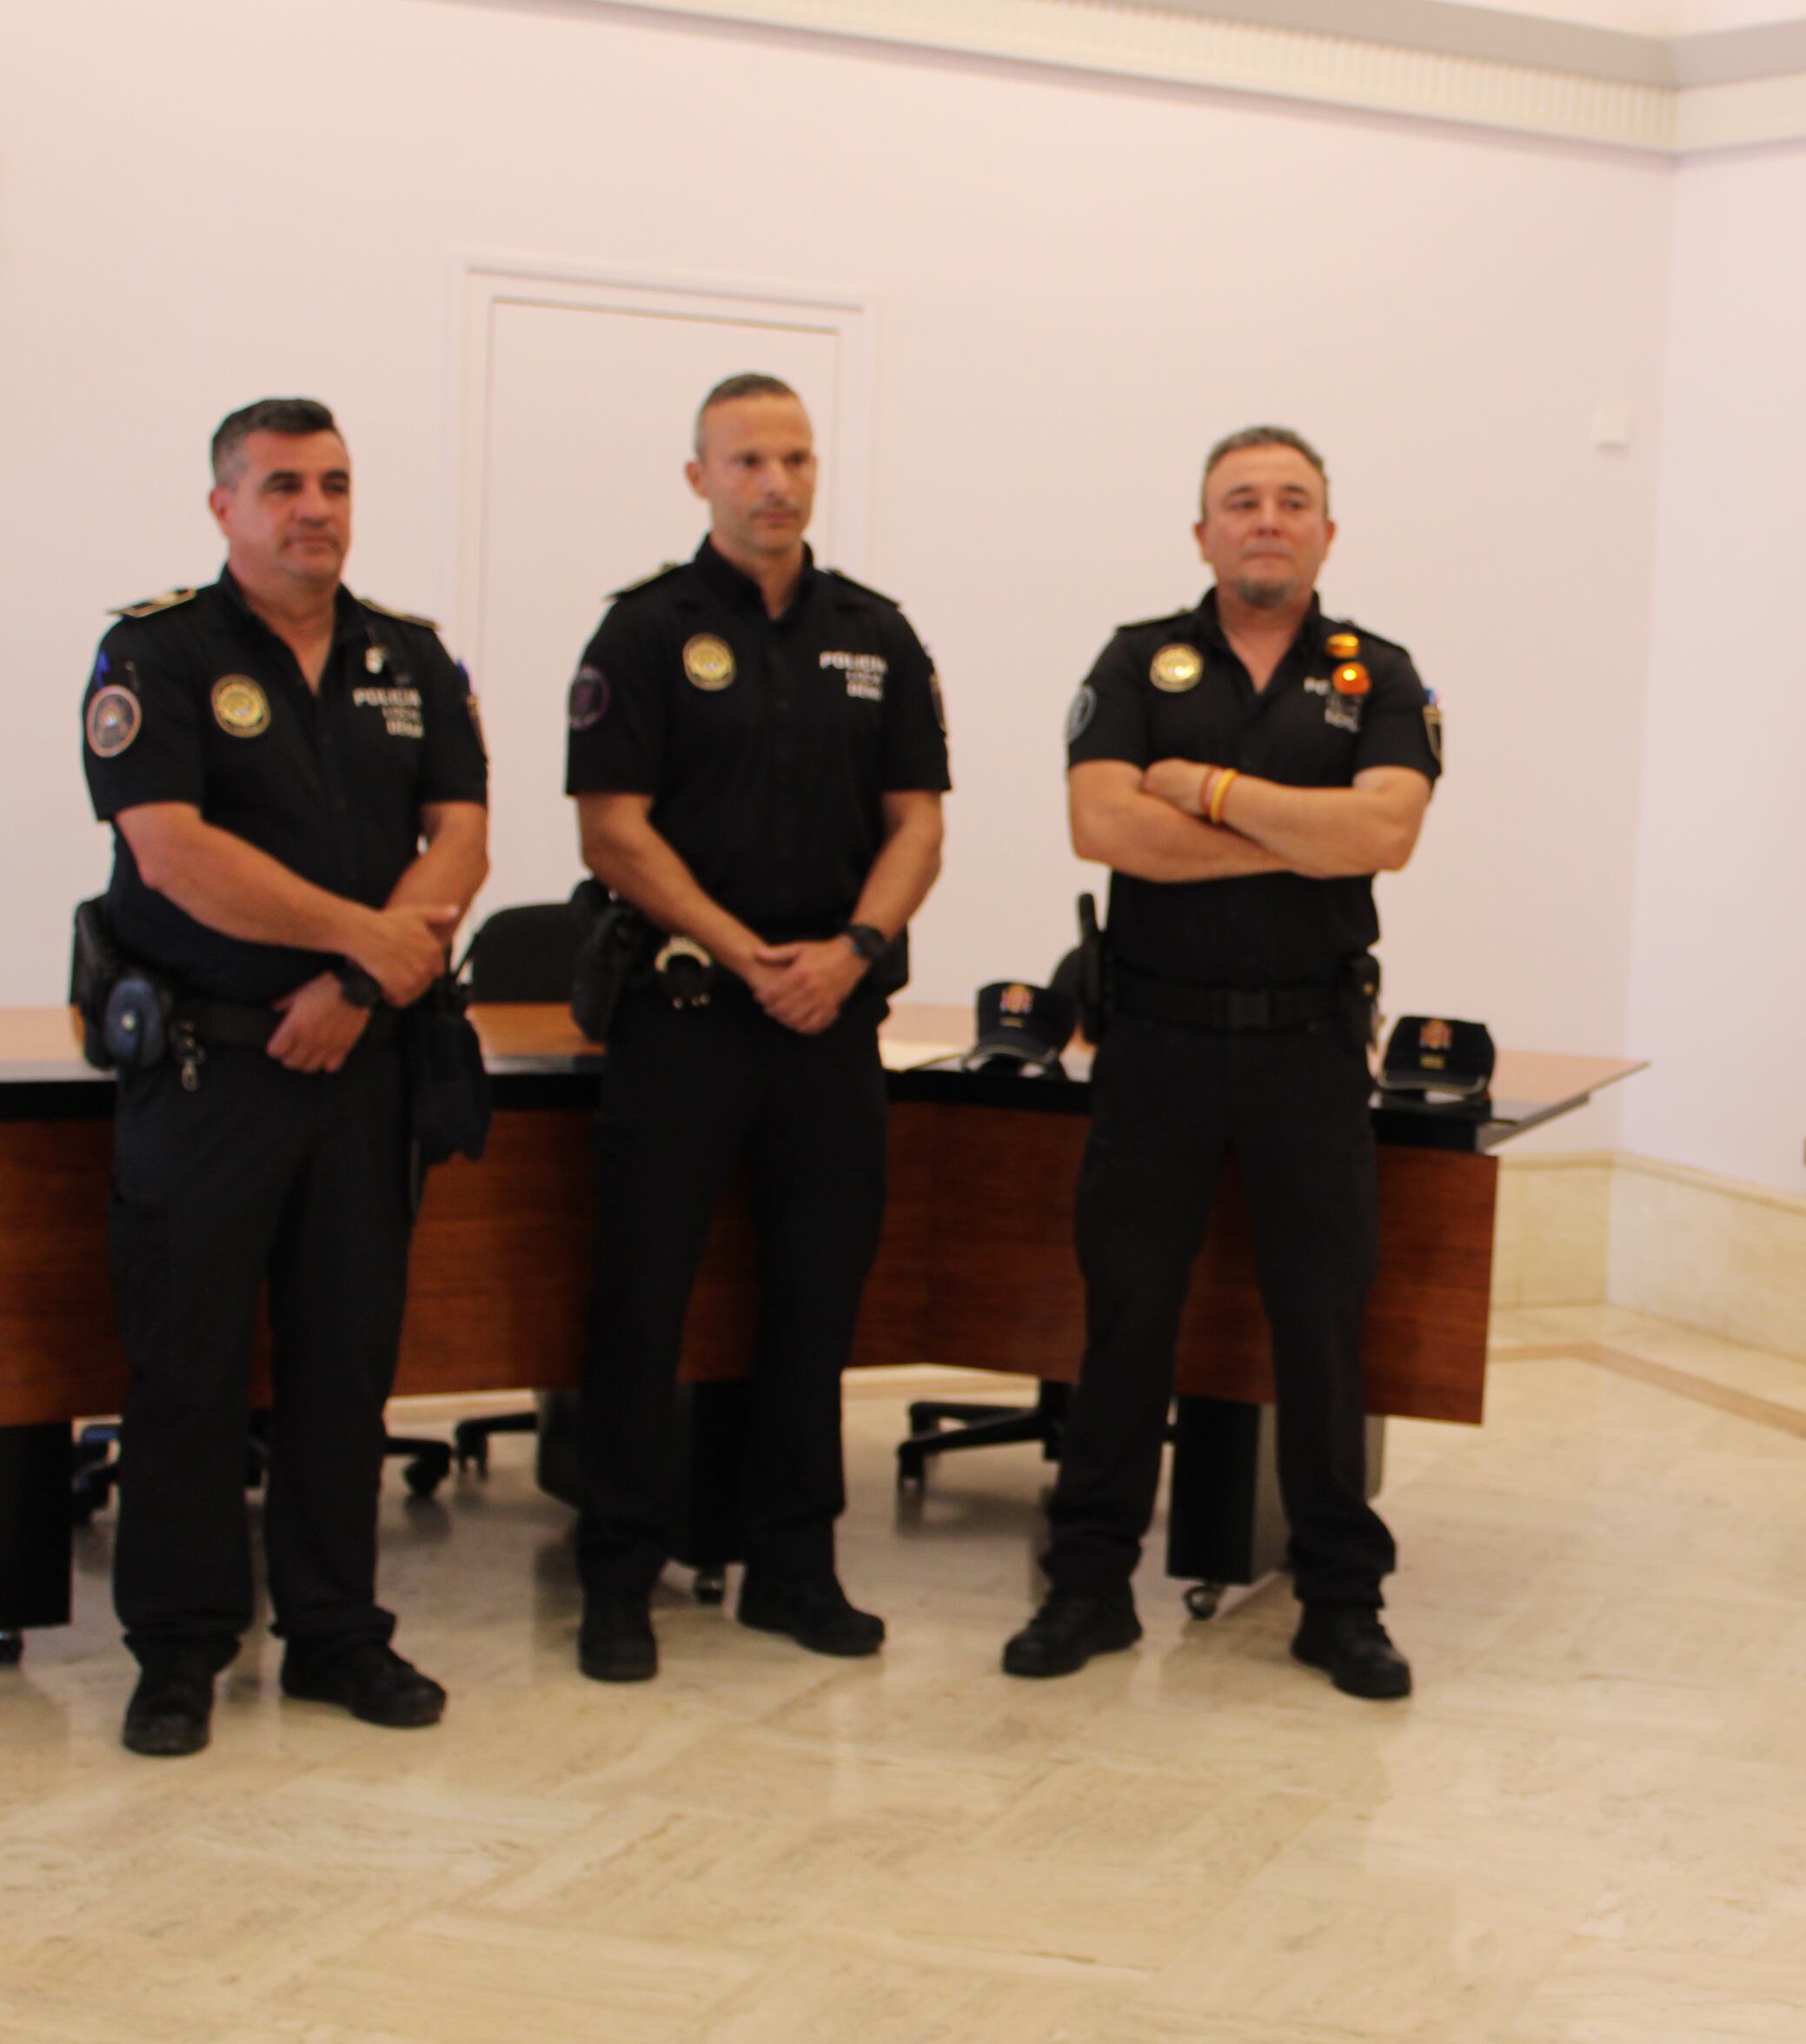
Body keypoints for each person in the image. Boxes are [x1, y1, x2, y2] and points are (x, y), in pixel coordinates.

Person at [79, 398, 490, 1757]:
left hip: (360, 1067)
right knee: (188, 1369)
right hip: (211, 1070)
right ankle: (182, 1652)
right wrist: (357, 936)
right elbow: (173, 854)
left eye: (334, 483)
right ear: (223, 508)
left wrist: (364, 984)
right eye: (280, 486)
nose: (313, 507)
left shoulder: (411, 658)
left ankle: (333, 1634)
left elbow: (463, 836)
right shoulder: (160, 651)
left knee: (343, 1365)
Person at [1005, 425, 1438, 1701]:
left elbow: (1390, 833)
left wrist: (1198, 791)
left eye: (1292, 502)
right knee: (1129, 1315)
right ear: (1201, 533)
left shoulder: (1381, 673)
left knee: (1321, 1327)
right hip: (1157, 1045)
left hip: (1310, 1048)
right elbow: (1101, 824)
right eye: (1240, 502)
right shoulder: (1139, 659)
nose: (1266, 520)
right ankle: (1089, 1587)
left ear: (1327, 534)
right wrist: (1304, 833)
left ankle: (1340, 1602)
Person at [563, 374, 947, 1682]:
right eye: (745, 461)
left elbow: (918, 824)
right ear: (698, 479)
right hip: (683, 1016)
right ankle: (616, 1578)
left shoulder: (878, 635)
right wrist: (748, 954)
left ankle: (795, 1569)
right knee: (642, 1304)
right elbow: (612, 832)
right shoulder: (643, 630)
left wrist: (850, 955)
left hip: (829, 1024)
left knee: (815, 1306)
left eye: (794, 458)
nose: (774, 483)